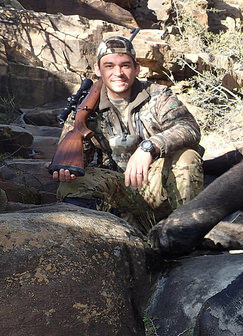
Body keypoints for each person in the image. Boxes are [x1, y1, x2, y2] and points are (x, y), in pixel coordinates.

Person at [51, 35, 204, 232]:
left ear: (136, 68)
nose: (118, 73)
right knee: (71, 186)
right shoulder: (85, 108)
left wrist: (149, 147)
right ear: (98, 70)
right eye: (109, 66)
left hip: (157, 185)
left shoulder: (158, 95)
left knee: (187, 158)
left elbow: (188, 128)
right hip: (118, 188)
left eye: (125, 65)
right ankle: (93, 240)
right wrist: (67, 166)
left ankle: (185, 232)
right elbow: (77, 158)